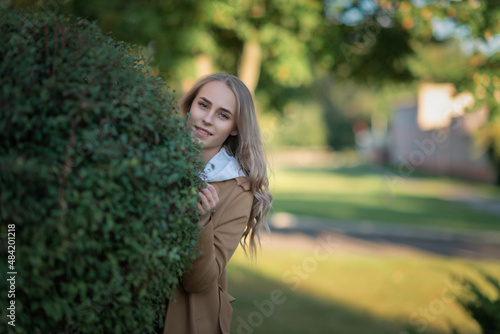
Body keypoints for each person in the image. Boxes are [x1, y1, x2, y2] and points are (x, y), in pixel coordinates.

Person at [163, 73, 273, 334]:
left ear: (235, 127)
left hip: (182, 320)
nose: (208, 119)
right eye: (203, 105)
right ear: (190, 105)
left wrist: (202, 223)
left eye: (223, 115)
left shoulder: (238, 191)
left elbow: (198, 282)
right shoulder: (152, 157)